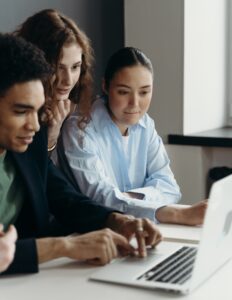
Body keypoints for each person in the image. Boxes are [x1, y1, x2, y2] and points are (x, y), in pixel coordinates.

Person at [0, 34, 162, 275]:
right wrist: (65, 246)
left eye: (38, 111)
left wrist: (117, 220)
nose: (34, 125)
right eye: (21, 111)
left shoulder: (28, 146)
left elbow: (66, 199)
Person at [56, 47, 207, 225]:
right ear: (105, 86)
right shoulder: (79, 128)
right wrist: (177, 214)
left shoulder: (146, 125)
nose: (135, 104)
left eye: (144, 92)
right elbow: (100, 199)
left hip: (145, 228)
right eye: (123, 92)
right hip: (97, 232)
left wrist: (127, 197)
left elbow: (171, 188)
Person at [14, 8, 94, 153]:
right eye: (59, 68)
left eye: (75, 67)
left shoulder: (80, 110)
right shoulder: (17, 110)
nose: (68, 80)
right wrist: (50, 138)